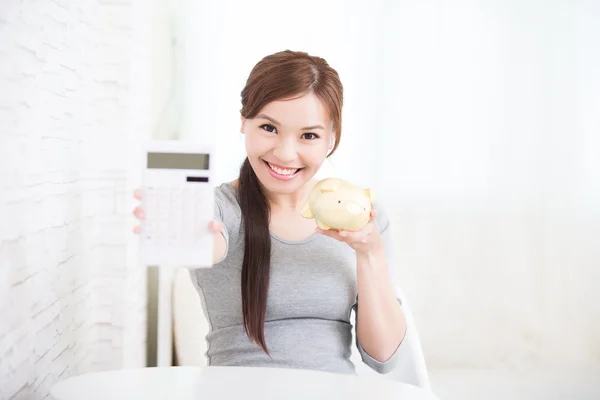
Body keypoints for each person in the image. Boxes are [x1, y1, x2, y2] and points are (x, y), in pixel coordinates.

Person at [133, 50, 407, 375]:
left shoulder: (363, 217)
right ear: (243, 121)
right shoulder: (221, 207)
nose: (286, 153)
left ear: (332, 139)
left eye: (309, 136)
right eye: (269, 128)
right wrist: (180, 229)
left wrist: (369, 252)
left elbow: (384, 357)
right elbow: (207, 239)